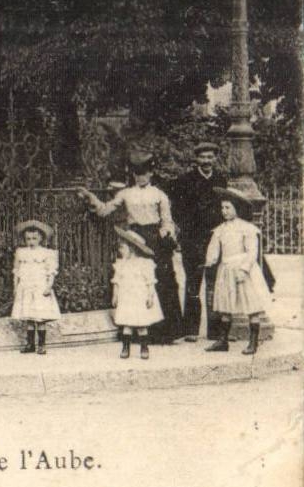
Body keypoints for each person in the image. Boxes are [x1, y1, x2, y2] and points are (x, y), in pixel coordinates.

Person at [78, 150, 184, 343]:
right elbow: (104, 210)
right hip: (134, 237)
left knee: (160, 279)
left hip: (155, 239)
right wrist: (91, 198)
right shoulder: (125, 194)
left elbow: (167, 220)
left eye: (144, 173)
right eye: (137, 173)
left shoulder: (159, 195)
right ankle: (135, 329)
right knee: (134, 282)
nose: (140, 177)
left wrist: (166, 231)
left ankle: (165, 332)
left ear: (151, 173)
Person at [204, 189, 273, 357]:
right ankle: (223, 340)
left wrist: (244, 269)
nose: (224, 211)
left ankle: (253, 341)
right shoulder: (220, 229)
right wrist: (210, 260)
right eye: (222, 208)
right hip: (226, 268)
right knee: (225, 305)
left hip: (243, 269)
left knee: (251, 304)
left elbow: (252, 252)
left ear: (237, 208)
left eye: (228, 207)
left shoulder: (247, 229)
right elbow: (213, 248)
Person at [169, 141, 226, 341]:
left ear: (215, 159)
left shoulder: (221, 180)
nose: (206, 161)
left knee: (215, 282)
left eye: (210, 157)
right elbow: (176, 210)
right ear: (196, 159)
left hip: (214, 237)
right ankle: (191, 329)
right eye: (203, 157)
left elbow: (226, 207)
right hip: (192, 238)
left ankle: (216, 331)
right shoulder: (185, 180)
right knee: (193, 282)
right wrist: (187, 229)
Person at [10, 218, 61, 355]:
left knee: (40, 317)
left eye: (34, 238)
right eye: (28, 239)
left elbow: (51, 272)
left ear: (40, 238)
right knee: (29, 317)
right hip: (26, 286)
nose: (31, 241)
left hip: (40, 286)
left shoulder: (46, 253)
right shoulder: (21, 252)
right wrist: (15, 286)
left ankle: (42, 344)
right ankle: (30, 344)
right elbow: (17, 271)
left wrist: (49, 286)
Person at [111, 229, 163, 359]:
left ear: (132, 248)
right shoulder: (121, 264)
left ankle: (144, 347)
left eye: (123, 248)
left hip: (139, 297)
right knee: (127, 324)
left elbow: (150, 282)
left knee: (141, 324)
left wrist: (150, 296)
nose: (120, 251)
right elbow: (117, 281)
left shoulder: (144, 263)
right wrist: (115, 295)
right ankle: (125, 347)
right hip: (126, 297)